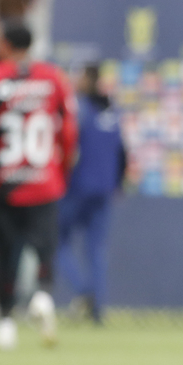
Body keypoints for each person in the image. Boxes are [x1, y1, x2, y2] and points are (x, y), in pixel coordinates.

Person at [0, 21, 78, 350]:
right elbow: (68, 133)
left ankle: (5, 322)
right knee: (46, 247)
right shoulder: (53, 78)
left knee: (5, 254)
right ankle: (43, 294)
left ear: (3, 44)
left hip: (4, 185)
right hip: (44, 181)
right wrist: (61, 171)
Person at [56, 66, 126, 325]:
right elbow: (122, 153)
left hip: (77, 187)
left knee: (56, 241)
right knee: (96, 249)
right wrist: (118, 183)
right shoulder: (112, 112)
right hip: (104, 189)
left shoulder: (79, 109)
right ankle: (98, 307)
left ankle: (85, 291)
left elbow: (67, 146)